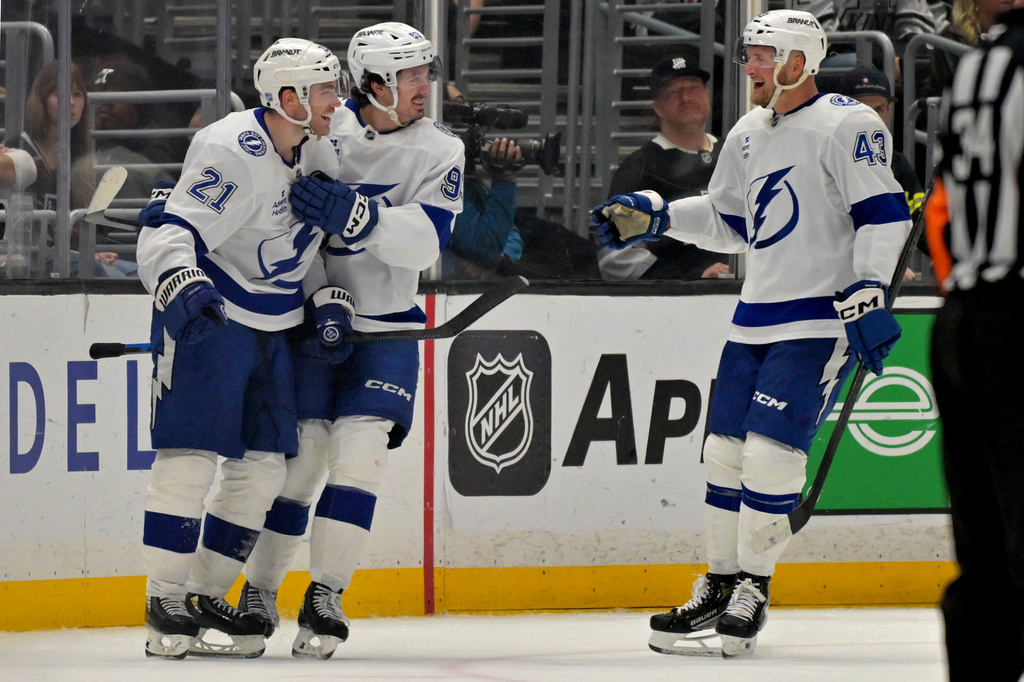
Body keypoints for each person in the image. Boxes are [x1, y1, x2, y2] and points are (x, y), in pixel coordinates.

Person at [592, 10, 911, 657]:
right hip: (754, 316)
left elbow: (884, 213)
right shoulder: (745, 132)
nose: (751, 68)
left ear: (799, 58)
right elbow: (729, 222)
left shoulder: (849, 123)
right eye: (750, 56)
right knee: (722, 454)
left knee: (769, 456)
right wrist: (658, 217)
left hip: (820, 319)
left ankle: (753, 588)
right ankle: (718, 582)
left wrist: (870, 289)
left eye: (763, 55)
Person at [239, 22, 465, 660]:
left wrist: (358, 215)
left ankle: (326, 594)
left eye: (427, 72)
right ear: (375, 84)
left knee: (360, 453)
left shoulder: (440, 148)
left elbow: (427, 243)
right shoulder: (324, 130)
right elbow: (289, 230)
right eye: (413, 75)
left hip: (388, 328)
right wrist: (318, 295)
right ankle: (258, 593)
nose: (428, 86)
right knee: (303, 460)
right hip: (314, 325)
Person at [134, 37, 346, 659]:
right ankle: (163, 601)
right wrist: (177, 278)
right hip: (214, 318)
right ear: (288, 98)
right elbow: (171, 229)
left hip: (273, 327)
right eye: (325, 89)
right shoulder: (233, 150)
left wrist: (325, 296)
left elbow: (302, 248)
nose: (338, 101)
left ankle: (201, 595)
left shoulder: (320, 152)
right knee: (190, 455)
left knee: (263, 468)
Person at [927, 3, 1024, 679]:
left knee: (986, 556)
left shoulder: (981, 65)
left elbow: (944, 208)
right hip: (1017, 321)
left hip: (966, 317)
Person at [599, 49, 730, 281]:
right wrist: (691, 278)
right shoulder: (639, 169)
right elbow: (615, 260)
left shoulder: (734, 155)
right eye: (673, 92)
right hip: (677, 304)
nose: (686, 97)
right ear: (657, 107)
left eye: (693, 88)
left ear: (707, 95)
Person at [0, 61, 130, 278]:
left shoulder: (77, 155)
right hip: (26, 258)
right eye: (60, 95)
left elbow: (75, 230)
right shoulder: (19, 151)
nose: (71, 103)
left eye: (78, 95)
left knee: (135, 272)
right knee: (107, 275)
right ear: (42, 101)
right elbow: (21, 237)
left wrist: (89, 253)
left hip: (63, 255)